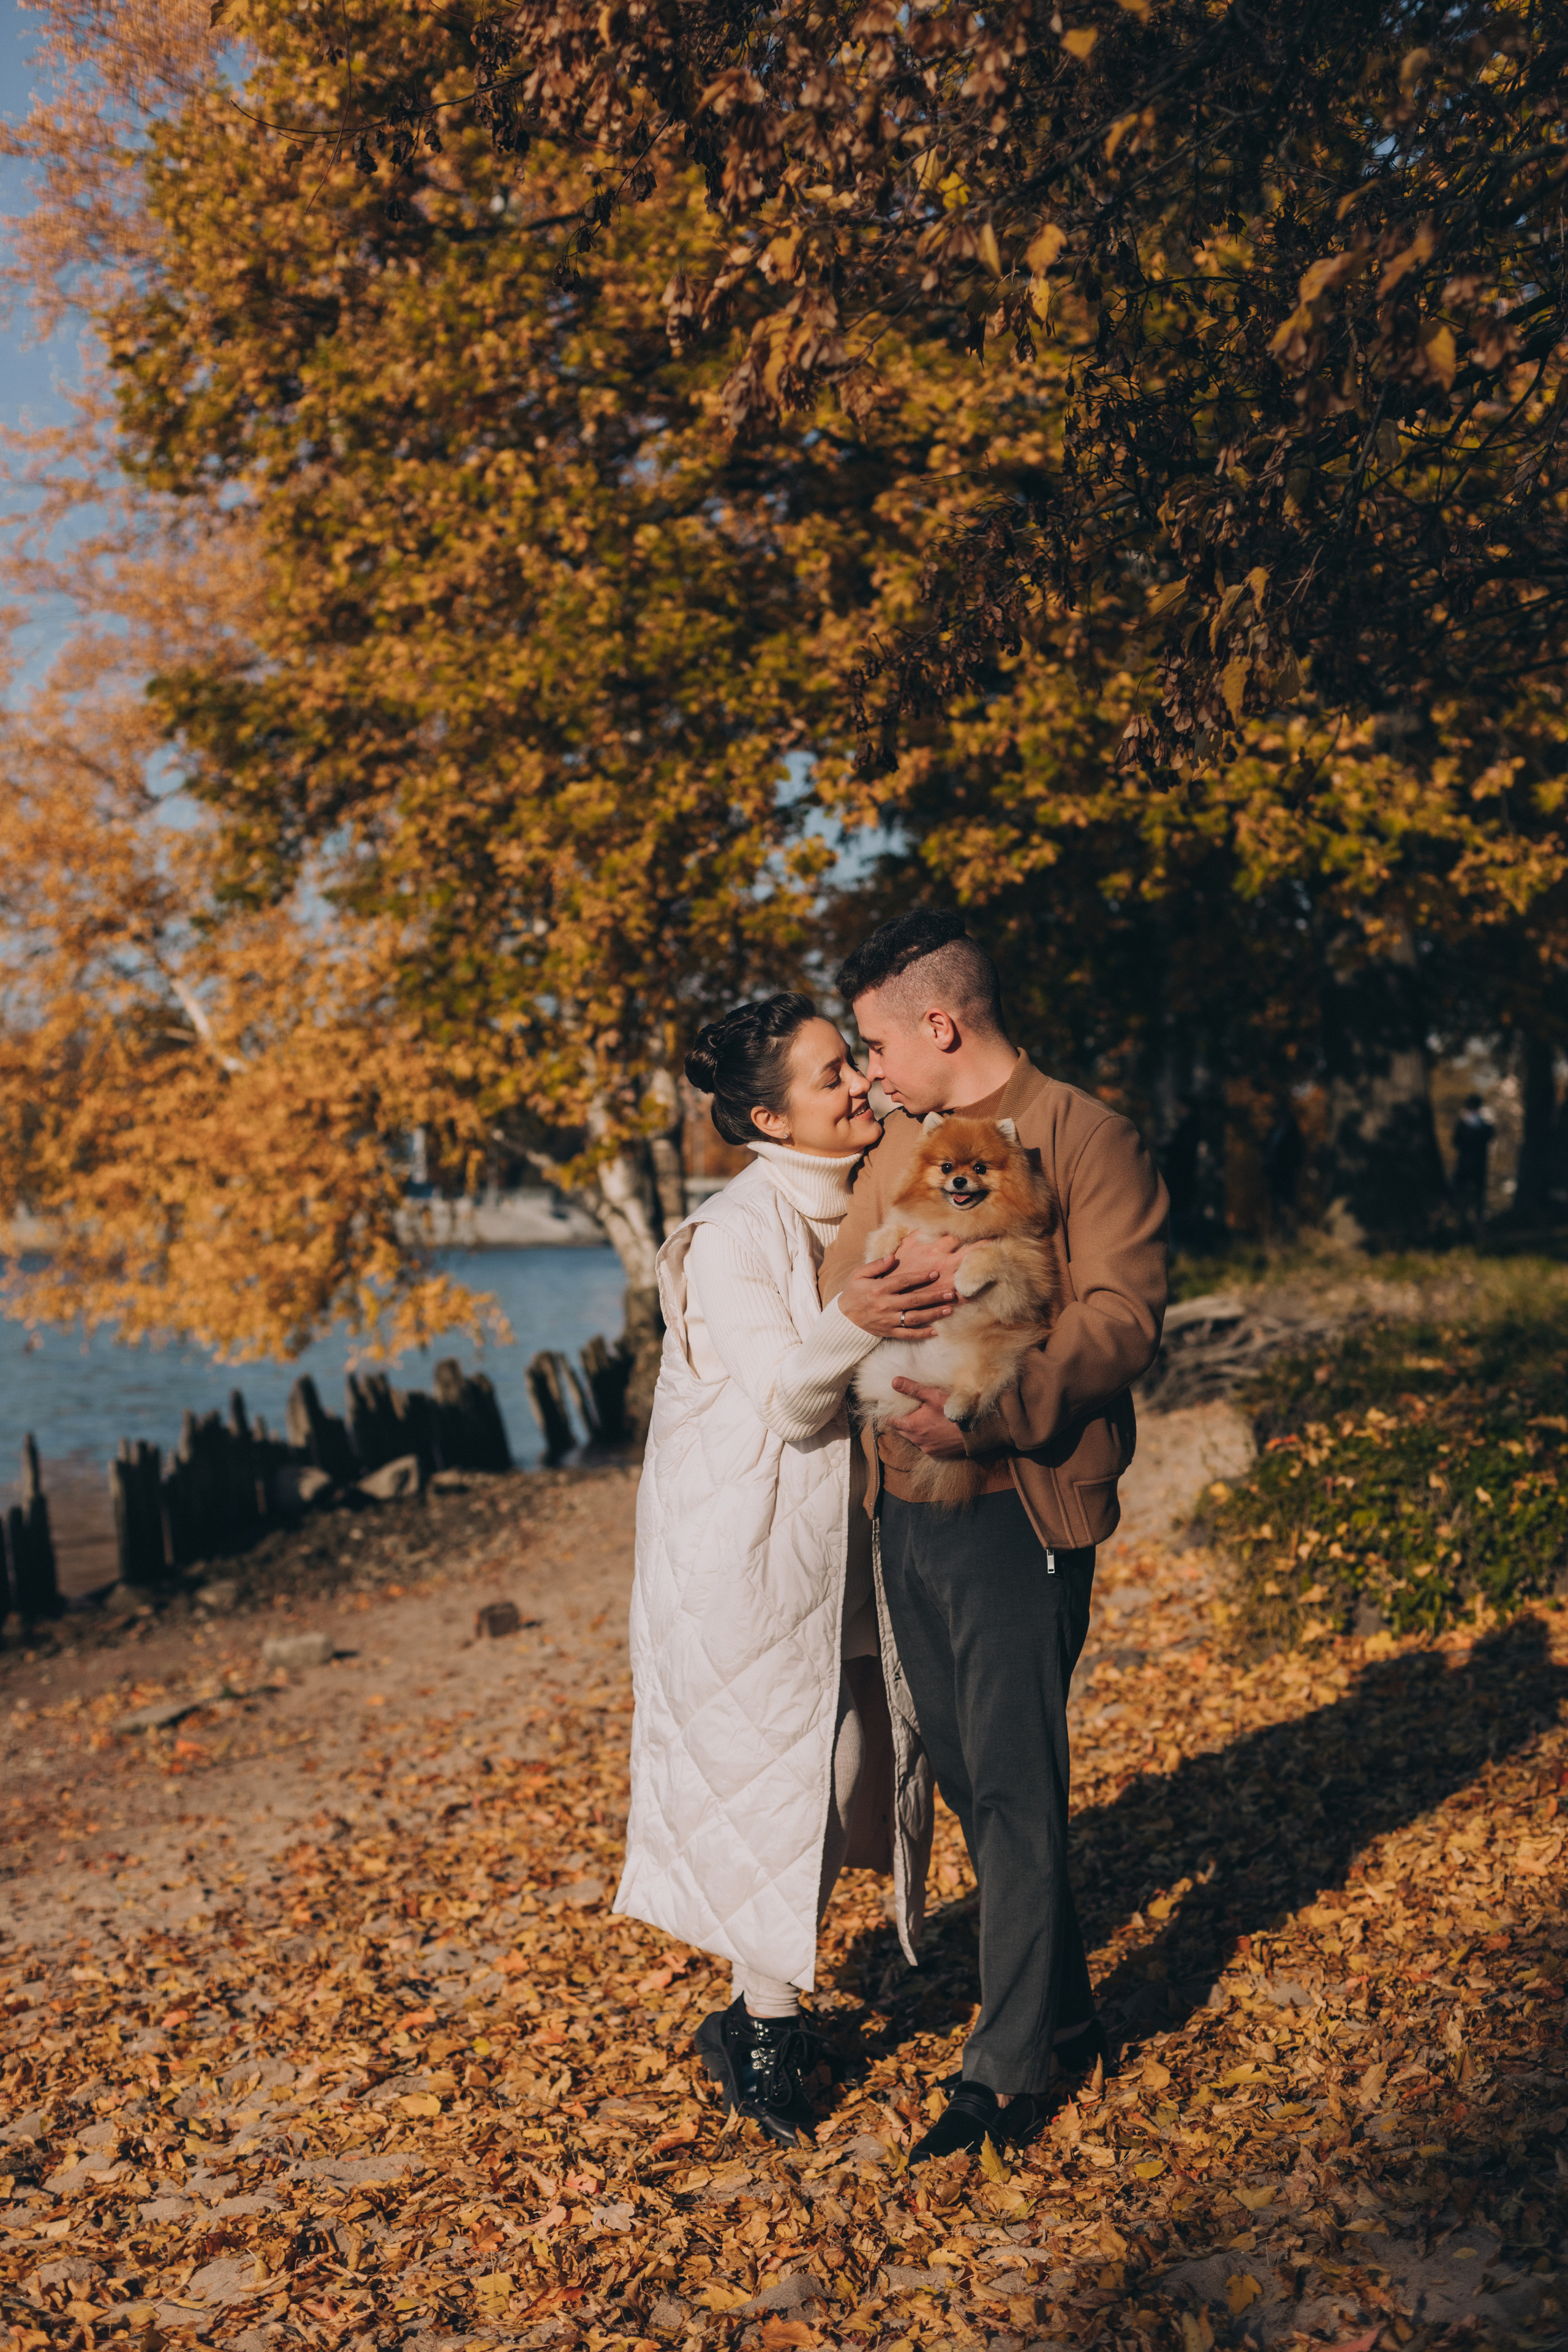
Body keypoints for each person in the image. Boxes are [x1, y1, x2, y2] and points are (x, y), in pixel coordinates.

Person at [818, 913, 1169, 2161]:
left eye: (872, 1043)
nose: (868, 1073)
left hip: (1014, 1497)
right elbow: (845, 1284)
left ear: (939, 1024)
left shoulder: (1083, 1132)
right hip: (897, 1506)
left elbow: (1122, 1311)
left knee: (1015, 1785)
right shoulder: (904, 1146)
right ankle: (1062, 2017)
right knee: (965, 1777)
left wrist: (995, 1412)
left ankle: (1005, 2071)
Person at [614, 993, 956, 2144]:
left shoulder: (876, 1190)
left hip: (856, 1540)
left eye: (851, 1062)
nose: (859, 1083)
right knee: (795, 1786)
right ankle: (764, 2036)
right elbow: (788, 1400)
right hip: (751, 1558)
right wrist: (853, 1317)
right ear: (769, 1115)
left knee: (853, 1768)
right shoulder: (728, 1237)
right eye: (829, 1077)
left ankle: (758, 2012)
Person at [1452, 1093, 1494, 1237]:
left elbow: (1456, 1142)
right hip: (1479, 1165)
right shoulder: (1486, 1126)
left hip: (1465, 1164)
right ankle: (1477, 1224)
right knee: (1478, 1196)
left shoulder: (1463, 1125)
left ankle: (1465, 1223)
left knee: (1463, 1193)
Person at [1263, 1099, 1306, 1242]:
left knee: (1287, 1205)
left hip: (1288, 1175)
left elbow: (1298, 1155)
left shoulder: (1293, 1132)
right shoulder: (1273, 1131)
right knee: (1275, 1205)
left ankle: (1289, 1236)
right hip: (1274, 1174)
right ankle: (1277, 1235)